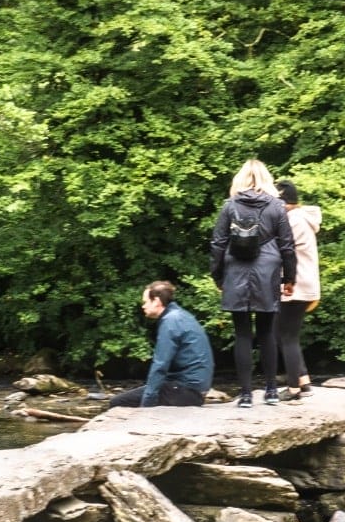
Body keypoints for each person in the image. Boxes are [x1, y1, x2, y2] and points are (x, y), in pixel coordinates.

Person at [210, 158, 296, 407]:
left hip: (236, 270)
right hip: (267, 271)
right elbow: (287, 245)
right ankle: (270, 391)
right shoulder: (277, 207)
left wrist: (218, 275)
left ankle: (246, 395)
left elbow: (217, 243)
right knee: (268, 332)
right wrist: (289, 278)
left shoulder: (229, 206)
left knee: (242, 334)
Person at [107, 280, 214, 408]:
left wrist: (147, 404)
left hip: (185, 391)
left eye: (146, 302)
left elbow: (160, 365)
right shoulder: (182, 315)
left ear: (156, 301)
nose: (143, 306)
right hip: (196, 390)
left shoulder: (170, 322)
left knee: (118, 402)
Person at [274, 178, 321, 400]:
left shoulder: (292, 221)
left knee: (286, 335)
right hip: (303, 284)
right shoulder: (301, 218)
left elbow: (280, 250)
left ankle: (294, 389)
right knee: (285, 333)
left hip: (295, 285)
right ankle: (303, 380)